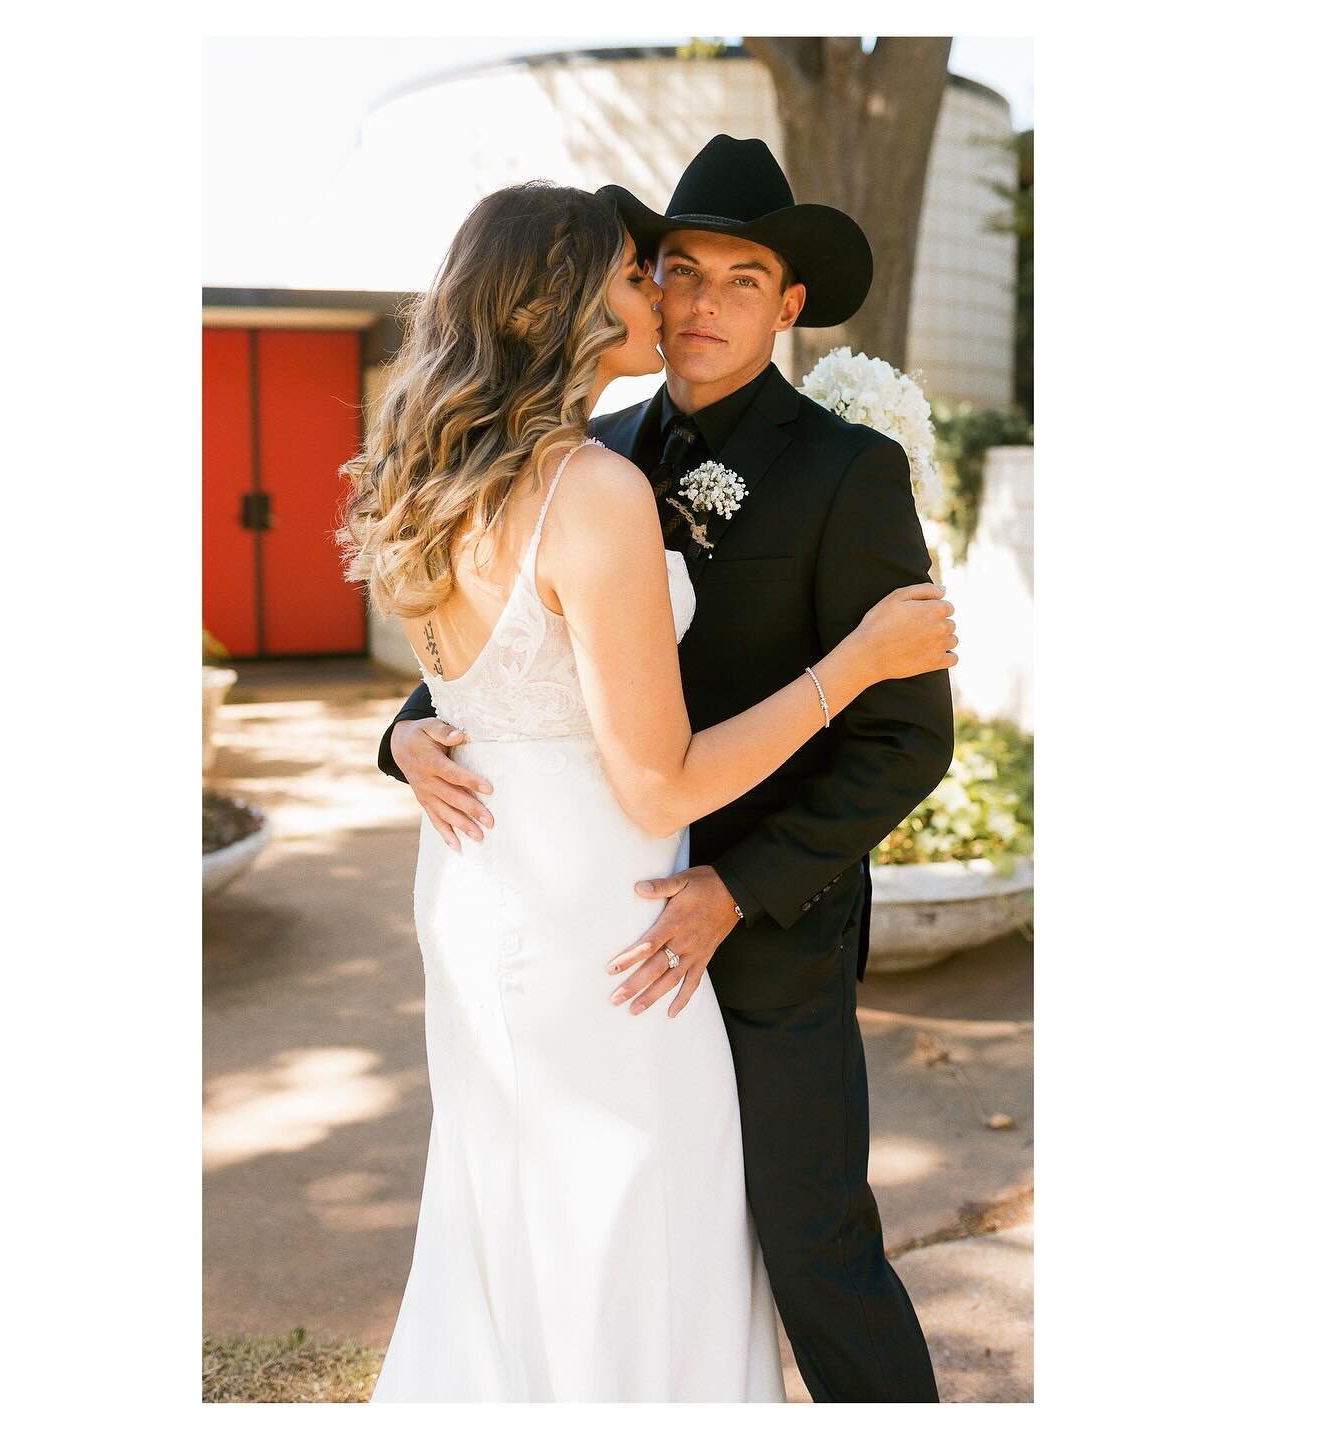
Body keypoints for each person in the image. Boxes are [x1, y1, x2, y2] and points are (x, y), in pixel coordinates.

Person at [353, 162, 956, 1402]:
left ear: (790, 306)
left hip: (763, 925)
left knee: (810, 1247)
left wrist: (741, 887)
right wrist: (405, 733)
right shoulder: (588, 452)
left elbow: (909, 737)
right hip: (605, 920)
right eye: (672, 269)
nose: (695, 303)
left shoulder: (851, 471)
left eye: (741, 280)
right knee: (593, 1219)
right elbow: (514, 661)